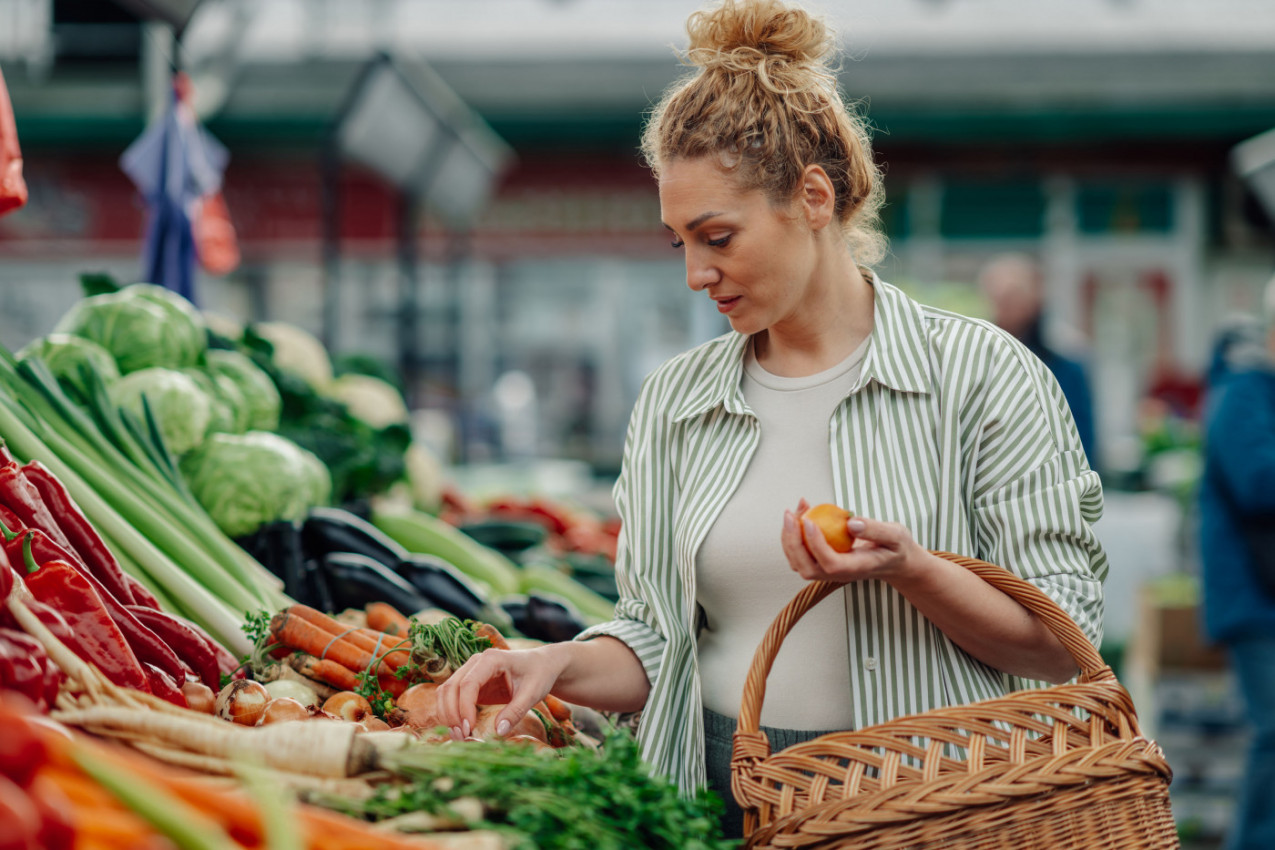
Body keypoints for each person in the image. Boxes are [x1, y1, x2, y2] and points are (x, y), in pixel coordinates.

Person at [438, 0, 1107, 838]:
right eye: (678, 242)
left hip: (929, 807)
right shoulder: (676, 401)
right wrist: (555, 663)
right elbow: (658, 640)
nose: (695, 274)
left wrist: (913, 570)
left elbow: (1063, 636)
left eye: (716, 236)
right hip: (721, 802)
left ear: (814, 197)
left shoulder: (981, 376)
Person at [1198, 287, 1275, 850]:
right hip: (1252, 595)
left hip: (1262, 591)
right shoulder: (1242, 391)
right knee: (1273, 734)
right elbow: (1258, 483)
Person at [977, 253, 1099, 468]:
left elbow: (1081, 433)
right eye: (998, 297)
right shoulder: (979, 353)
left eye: (1013, 295)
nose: (1005, 306)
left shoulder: (1064, 353)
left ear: (1035, 294)